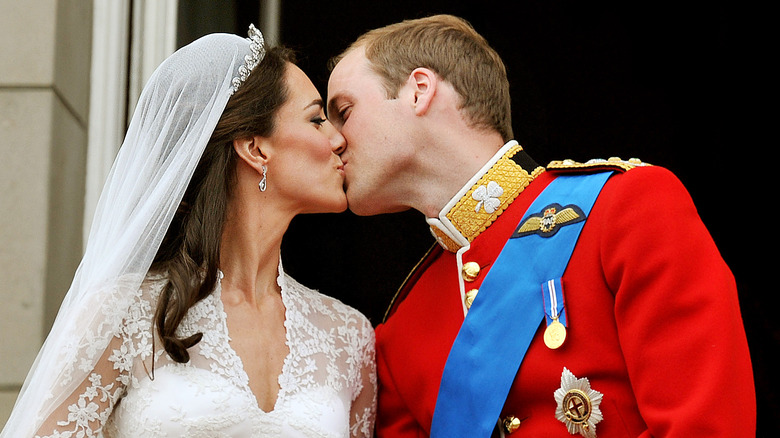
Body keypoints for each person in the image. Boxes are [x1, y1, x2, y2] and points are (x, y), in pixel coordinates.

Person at [326, 14, 754, 437]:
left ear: (419, 90)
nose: (332, 140)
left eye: (343, 111)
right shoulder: (399, 332)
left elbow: (707, 426)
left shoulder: (625, 207)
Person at [1, 25, 376, 437]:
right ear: (255, 148)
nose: (339, 139)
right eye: (317, 119)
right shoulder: (121, 314)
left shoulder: (350, 337)